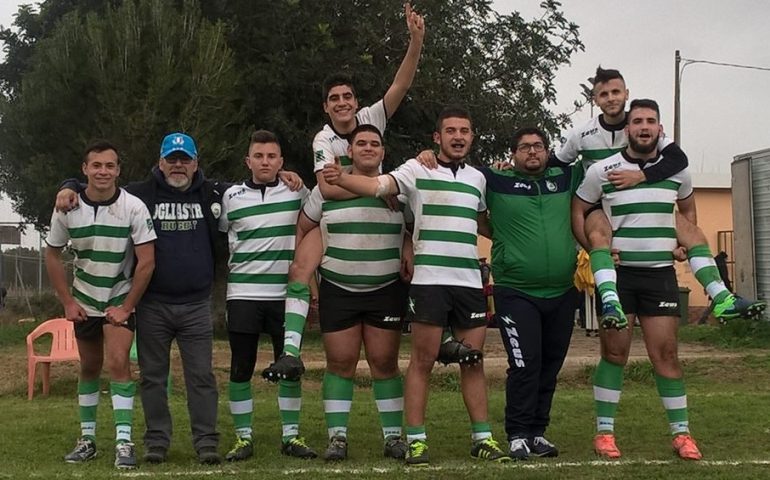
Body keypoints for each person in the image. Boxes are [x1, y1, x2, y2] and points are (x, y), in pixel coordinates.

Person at [261, 3, 443, 383]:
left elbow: (402, 85)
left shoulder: (372, 119)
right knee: (301, 258)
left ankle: (444, 329)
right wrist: (376, 190)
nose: (342, 103)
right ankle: (292, 349)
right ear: (325, 108)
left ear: (357, 103)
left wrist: (415, 41)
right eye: (334, 99)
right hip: (325, 207)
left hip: (374, 206)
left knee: (417, 230)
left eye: (347, 97)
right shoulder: (323, 138)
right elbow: (327, 189)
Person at [323, 106, 510, 466]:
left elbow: (486, 224)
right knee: (422, 361)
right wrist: (341, 178)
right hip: (429, 283)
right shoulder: (416, 168)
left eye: (465, 131)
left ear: (471, 137)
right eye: (450, 131)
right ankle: (417, 440)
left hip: (470, 282)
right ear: (437, 138)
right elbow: (377, 185)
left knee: (473, 361)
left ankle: (483, 438)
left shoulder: (479, 178)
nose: (458, 137)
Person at [558, 67, 765, 328]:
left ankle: (723, 297)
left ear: (626, 94)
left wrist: (640, 177)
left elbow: (679, 160)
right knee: (599, 234)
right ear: (595, 99)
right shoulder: (581, 134)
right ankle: (611, 301)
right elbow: (556, 162)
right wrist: (512, 167)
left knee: (693, 232)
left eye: (616, 92)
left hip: (646, 202)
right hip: (602, 202)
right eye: (604, 94)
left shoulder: (643, 124)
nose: (611, 98)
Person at [573, 99, 703, 460]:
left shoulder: (677, 170)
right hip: (618, 276)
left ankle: (681, 434)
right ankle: (604, 433)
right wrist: (590, 247)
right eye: (637, 121)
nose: (644, 127)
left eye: (651, 121)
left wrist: (683, 241)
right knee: (614, 353)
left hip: (659, 275)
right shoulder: (603, 169)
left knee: (667, 354)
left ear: (660, 129)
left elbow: (688, 210)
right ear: (627, 129)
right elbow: (579, 208)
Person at [301, 124, 411, 461]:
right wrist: (307, 278)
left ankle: (393, 437)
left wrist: (408, 243)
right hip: (339, 288)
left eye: (374, 144)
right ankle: (337, 438)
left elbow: (416, 225)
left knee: (384, 362)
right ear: (349, 150)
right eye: (360, 143)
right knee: (340, 363)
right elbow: (303, 229)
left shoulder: (400, 190)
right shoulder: (325, 190)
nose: (367, 148)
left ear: (383, 152)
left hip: (385, 289)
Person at [45, 140, 156, 469]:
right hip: (84, 300)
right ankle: (88, 439)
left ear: (119, 170)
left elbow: (147, 262)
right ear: (85, 170)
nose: (103, 171)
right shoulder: (67, 207)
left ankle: (124, 441)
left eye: (110, 166)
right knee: (90, 367)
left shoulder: (133, 207)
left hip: (119, 298)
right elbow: (52, 254)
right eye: (97, 165)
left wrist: (127, 306)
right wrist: (67, 302)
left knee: (119, 363)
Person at [481, 128, 582, 460]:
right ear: (513, 154)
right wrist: (503, 239)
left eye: (538, 146)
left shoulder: (566, 177)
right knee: (525, 364)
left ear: (547, 151)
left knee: (550, 365)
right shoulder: (495, 180)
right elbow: (467, 190)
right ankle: (518, 434)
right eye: (524, 147)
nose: (532, 152)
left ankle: (538, 432)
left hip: (563, 291)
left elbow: (597, 160)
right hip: (516, 291)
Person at [218, 130, 316, 461]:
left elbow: (317, 219)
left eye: (271, 156)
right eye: (258, 156)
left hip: (285, 296)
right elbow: (221, 237)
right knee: (241, 366)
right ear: (248, 161)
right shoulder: (231, 197)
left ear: (281, 162)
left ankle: (291, 436)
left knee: (289, 365)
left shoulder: (297, 192)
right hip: (243, 294)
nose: (265, 162)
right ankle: (243, 438)